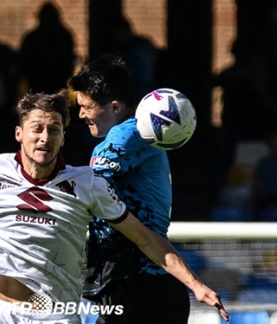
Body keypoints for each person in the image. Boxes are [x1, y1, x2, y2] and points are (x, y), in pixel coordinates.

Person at [0, 90, 228, 323]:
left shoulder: (88, 184)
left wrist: (195, 284)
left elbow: (146, 240)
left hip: (54, 316)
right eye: (36, 128)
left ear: (65, 136)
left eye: (53, 129)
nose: (44, 137)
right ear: (20, 133)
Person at [68, 54, 198, 323]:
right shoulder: (135, 135)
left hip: (142, 288)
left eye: (86, 107)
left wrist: (16, 196)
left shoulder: (128, 135)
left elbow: (83, 190)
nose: (80, 114)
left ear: (114, 107)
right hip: (133, 286)